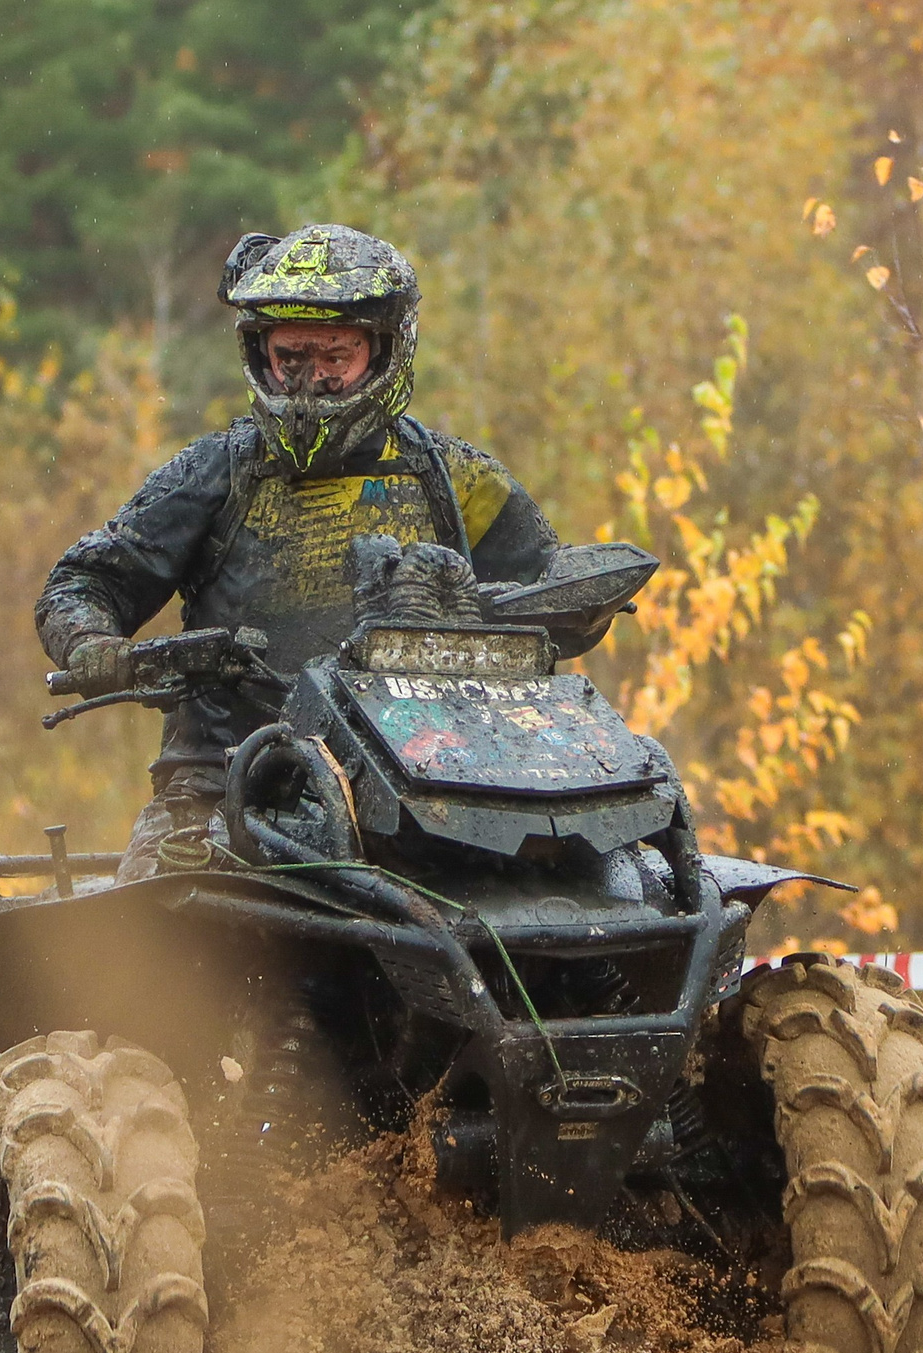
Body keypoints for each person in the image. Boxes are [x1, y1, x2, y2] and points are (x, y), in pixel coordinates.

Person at [35, 224, 564, 878]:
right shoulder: (216, 472)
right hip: (223, 790)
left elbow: (550, 588)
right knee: (161, 923)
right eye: (291, 358)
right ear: (260, 354)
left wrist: (578, 604)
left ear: (384, 351)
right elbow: (82, 582)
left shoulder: (455, 478)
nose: (311, 380)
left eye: (335, 358)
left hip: (429, 788)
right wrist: (93, 644)